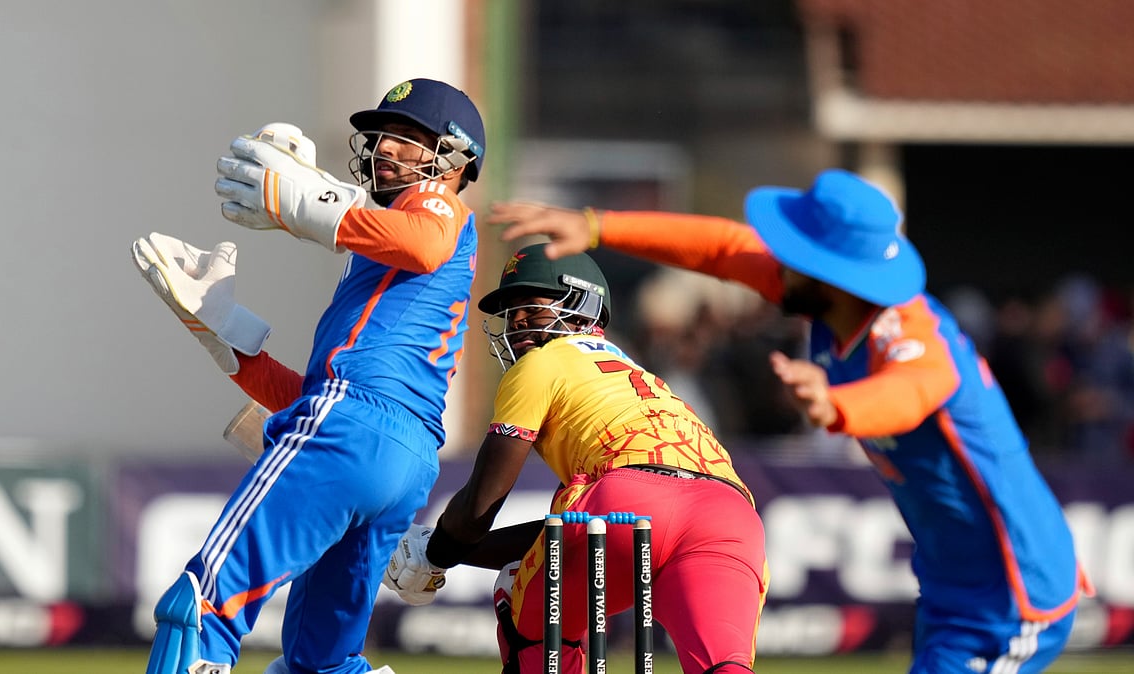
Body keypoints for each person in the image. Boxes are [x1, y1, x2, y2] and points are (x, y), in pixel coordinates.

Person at [487, 169, 1092, 674]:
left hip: (1011, 586)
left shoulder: (912, 335)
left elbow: (915, 391)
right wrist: (595, 226)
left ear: (829, 269)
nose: (775, 260)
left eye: (793, 250)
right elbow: (723, 249)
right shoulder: (832, 299)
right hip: (950, 580)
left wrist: (839, 406)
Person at [131, 78, 486, 674]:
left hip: (352, 430)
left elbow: (423, 245)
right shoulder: (381, 262)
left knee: (200, 608)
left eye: (406, 138)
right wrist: (229, 340)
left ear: (454, 157)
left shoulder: (438, 207)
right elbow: (323, 401)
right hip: (404, 461)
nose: (384, 149)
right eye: (379, 137)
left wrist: (309, 204)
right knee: (323, 662)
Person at [383, 243, 768, 674]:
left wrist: (435, 551)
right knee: (724, 667)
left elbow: (479, 507)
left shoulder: (541, 363)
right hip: (731, 515)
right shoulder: (647, 378)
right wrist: (445, 551)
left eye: (532, 304)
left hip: (625, 498)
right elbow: (581, 528)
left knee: (519, 591)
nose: (517, 321)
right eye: (511, 311)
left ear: (582, 304)